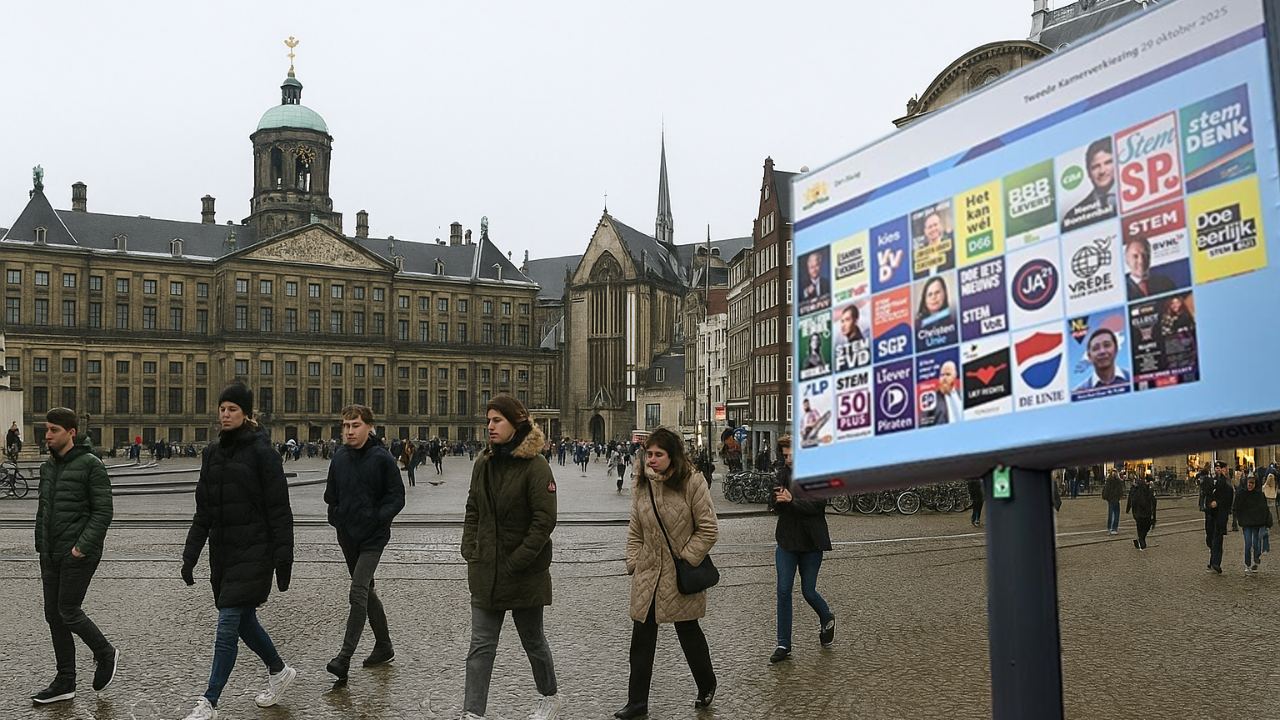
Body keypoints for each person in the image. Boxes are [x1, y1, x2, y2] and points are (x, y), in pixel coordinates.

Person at [180, 384, 295, 720]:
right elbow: (204, 511)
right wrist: (190, 555)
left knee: (228, 626)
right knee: (244, 622)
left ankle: (209, 702)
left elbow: (280, 510)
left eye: (232, 409)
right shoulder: (211, 453)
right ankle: (278, 671)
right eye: (222, 409)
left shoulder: (264, 453)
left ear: (246, 413)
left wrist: (283, 558)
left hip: (256, 551)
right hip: (224, 553)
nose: (225, 414)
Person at [460, 395, 563, 720]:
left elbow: (544, 521)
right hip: (486, 570)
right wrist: (470, 549)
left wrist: (518, 560)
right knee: (480, 646)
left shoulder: (536, 467)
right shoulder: (483, 463)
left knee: (533, 642)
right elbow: (473, 507)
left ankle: (550, 696)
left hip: (523, 573)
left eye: (496, 420)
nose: (489, 426)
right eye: (488, 419)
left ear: (516, 424)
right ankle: (472, 713)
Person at [616, 427, 718, 719]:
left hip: (679, 573)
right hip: (648, 572)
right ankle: (637, 703)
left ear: (672, 456)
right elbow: (635, 529)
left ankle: (706, 683)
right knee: (641, 641)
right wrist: (634, 561)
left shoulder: (692, 482)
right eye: (648, 454)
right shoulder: (642, 484)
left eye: (658, 454)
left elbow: (708, 529)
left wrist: (686, 558)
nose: (651, 460)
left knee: (688, 633)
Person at [32, 408, 118, 705]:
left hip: (78, 554)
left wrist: (81, 547)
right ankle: (65, 681)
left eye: (53, 430)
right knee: (53, 616)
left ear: (71, 432)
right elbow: (44, 510)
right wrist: (41, 544)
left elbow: (103, 511)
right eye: (47, 430)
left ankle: (105, 652)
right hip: (50, 552)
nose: (47, 436)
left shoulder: (91, 465)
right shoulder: (48, 468)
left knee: (68, 610)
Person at [324, 405, 406, 681]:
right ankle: (384, 647)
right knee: (368, 592)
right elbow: (330, 495)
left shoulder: (382, 458)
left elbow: (397, 498)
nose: (349, 430)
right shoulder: (339, 458)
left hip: (372, 537)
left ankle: (344, 657)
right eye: (345, 425)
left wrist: (376, 518)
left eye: (355, 425)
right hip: (347, 536)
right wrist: (335, 517)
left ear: (370, 427)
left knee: (358, 591)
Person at [767, 435, 835, 664]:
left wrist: (792, 500)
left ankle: (827, 618)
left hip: (811, 541)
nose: (787, 459)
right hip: (787, 540)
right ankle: (783, 643)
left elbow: (818, 505)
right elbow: (775, 506)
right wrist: (776, 500)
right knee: (783, 591)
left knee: (808, 591)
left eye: (792, 454)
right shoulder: (781, 474)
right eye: (784, 455)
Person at [1061, 138, 1118, 231]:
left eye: (1108, 163)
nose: (1102, 171)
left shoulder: (1132, 198)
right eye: (1095, 166)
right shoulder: (1071, 217)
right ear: (1088, 172)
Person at [1233, 473, 1272, 574]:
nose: (1250, 485)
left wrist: (1265, 522)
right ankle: (1248, 564)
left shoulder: (1259, 495)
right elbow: (1236, 507)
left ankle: (1256, 560)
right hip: (1246, 523)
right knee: (1248, 544)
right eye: (1249, 483)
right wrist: (1238, 519)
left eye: (1252, 483)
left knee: (1256, 544)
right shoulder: (1241, 494)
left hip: (1257, 523)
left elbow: (1264, 509)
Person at [1205, 461, 1235, 574]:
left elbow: (1228, 499)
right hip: (1210, 514)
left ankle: (1215, 563)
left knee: (1217, 539)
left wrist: (1218, 503)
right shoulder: (1210, 481)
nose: (1217, 470)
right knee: (1209, 538)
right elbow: (1206, 494)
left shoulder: (1225, 483)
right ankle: (1213, 559)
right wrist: (1209, 504)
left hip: (1220, 514)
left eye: (1219, 468)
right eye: (1216, 468)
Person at [921, 361, 962, 426]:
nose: (944, 378)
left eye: (948, 374)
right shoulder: (931, 399)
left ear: (955, 376)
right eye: (942, 375)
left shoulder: (962, 394)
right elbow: (922, 426)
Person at [1125, 472, 1157, 550]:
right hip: (1141, 512)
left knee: (1144, 527)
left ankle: (1140, 540)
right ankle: (1142, 540)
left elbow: (1153, 503)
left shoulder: (1144, 490)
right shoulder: (1142, 490)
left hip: (1142, 512)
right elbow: (1134, 499)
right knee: (1143, 526)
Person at [1102, 468, 1125, 535]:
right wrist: (1119, 496)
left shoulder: (1109, 481)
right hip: (1115, 499)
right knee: (1116, 514)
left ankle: (1109, 527)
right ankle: (1114, 528)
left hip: (1110, 499)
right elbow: (1121, 491)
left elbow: (1106, 490)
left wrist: (1106, 497)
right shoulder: (1118, 482)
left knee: (1110, 513)